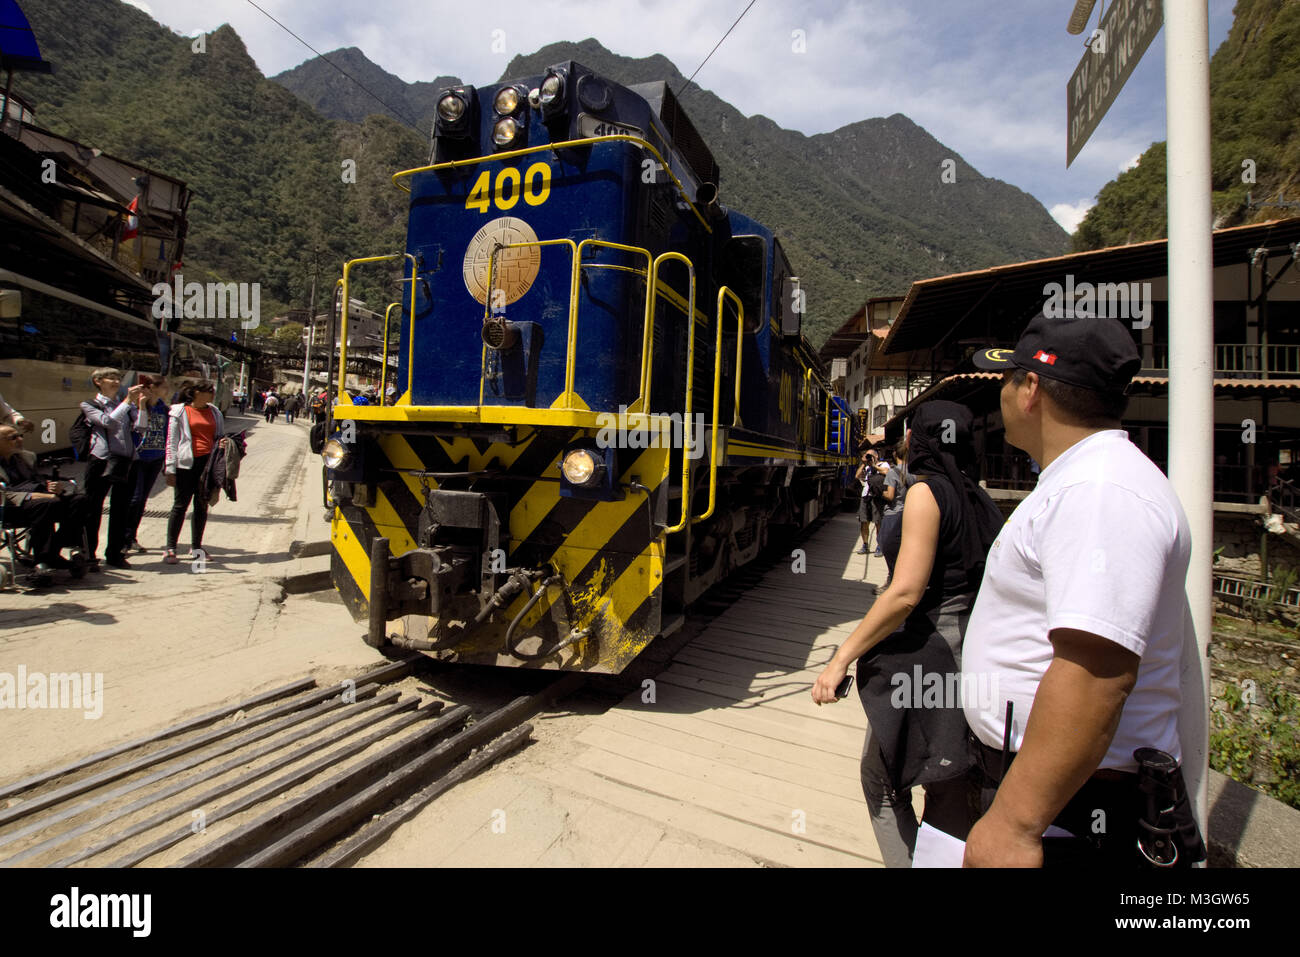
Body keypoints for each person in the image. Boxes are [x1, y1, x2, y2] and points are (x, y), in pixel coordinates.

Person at [961, 312, 1205, 868]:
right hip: (1065, 796)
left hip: (1076, 809)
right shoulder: (1091, 481)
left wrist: (1015, 824)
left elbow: (1096, 671)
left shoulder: (1099, 491)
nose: (999, 392)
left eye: (1007, 376)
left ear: (1030, 389)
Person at [813, 401, 1004, 867]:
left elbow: (905, 593)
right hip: (972, 649)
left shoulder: (926, 494)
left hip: (931, 650)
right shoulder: (978, 498)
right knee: (947, 788)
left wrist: (841, 659)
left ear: (918, 441)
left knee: (881, 782)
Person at [0, 424, 91, 571]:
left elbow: (37, 480)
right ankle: (42, 560)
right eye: (13, 437)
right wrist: (32, 495)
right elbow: (3, 492)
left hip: (41, 502)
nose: (19, 439)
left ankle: (53, 551)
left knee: (79, 501)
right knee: (46, 503)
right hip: (9, 507)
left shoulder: (24, 458)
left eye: (20, 436)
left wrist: (51, 486)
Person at [81, 369, 144, 569]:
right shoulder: (90, 405)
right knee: (93, 509)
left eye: (119, 378)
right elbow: (107, 422)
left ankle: (115, 553)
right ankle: (89, 553)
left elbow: (141, 427)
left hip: (126, 461)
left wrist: (140, 405)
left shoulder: (123, 404)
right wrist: (127, 402)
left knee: (121, 509)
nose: (117, 381)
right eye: (112, 378)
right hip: (102, 461)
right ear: (98, 381)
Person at [164, 380, 224, 565]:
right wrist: (170, 468)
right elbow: (172, 441)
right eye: (209, 391)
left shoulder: (214, 411)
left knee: (201, 506)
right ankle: (170, 548)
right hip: (185, 464)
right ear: (196, 392)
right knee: (180, 505)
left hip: (207, 464)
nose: (212, 395)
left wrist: (222, 443)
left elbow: (219, 435)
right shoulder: (179, 411)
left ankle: (196, 547)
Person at [124, 375, 169, 554]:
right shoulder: (135, 408)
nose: (167, 389)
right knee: (135, 498)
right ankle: (124, 537)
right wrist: (142, 405)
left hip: (156, 457)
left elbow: (166, 433)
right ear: (151, 388)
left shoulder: (164, 409)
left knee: (142, 500)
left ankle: (132, 536)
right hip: (138, 459)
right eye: (164, 386)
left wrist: (167, 458)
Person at [877, 439, 915, 581]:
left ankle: (892, 577)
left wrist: (880, 491)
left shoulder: (892, 473)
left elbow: (890, 495)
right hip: (908, 513)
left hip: (893, 514)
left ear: (894, 454)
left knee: (886, 545)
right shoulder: (913, 472)